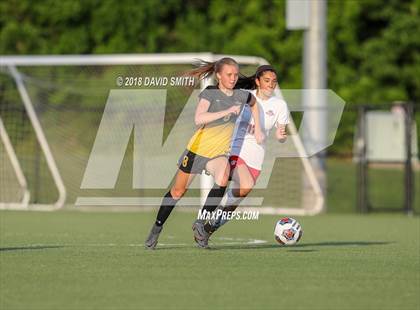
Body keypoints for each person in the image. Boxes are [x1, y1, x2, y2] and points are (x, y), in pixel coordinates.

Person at [145, 57, 264, 249]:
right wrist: (227, 111)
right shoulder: (210, 93)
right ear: (218, 75)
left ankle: (201, 223)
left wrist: (258, 127)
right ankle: (156, 228)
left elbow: (254, 102)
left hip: (217, 154)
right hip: (196, 152)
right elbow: (199, 118)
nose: (233, 78)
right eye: (229, 75)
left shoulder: (241, 96)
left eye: (235, 74)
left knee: (223, 175)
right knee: (178, 191)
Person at [201, 65, 290, 240]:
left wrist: (281, 136)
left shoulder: (280, 105)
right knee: (245, 185)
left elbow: (281, 134)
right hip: (235, 150)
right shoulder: (245, 96)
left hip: (256, 159)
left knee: (240, 196)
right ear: (257, 81)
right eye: (266, 81)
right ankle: (206, 215)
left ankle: (207, 231)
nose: (271, 84)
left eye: (274, 81)